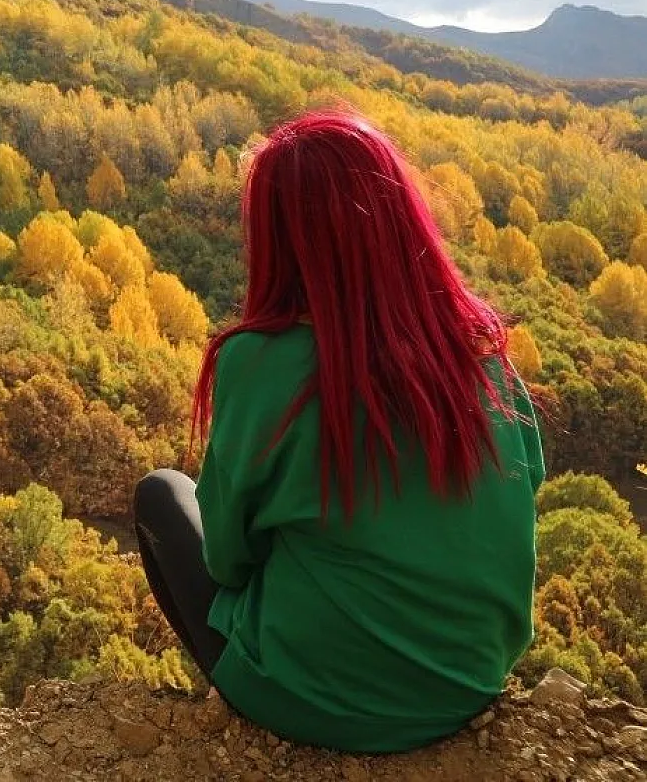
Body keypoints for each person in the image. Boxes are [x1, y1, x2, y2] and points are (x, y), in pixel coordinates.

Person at [132, 109, 544, 753]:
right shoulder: (479, 356)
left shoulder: (259, 363)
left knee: (161, 493)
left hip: (314, 703)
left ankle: (255, 716)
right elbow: (523, 497)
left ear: (276, 239)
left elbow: (227, 559)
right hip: (470, 686)